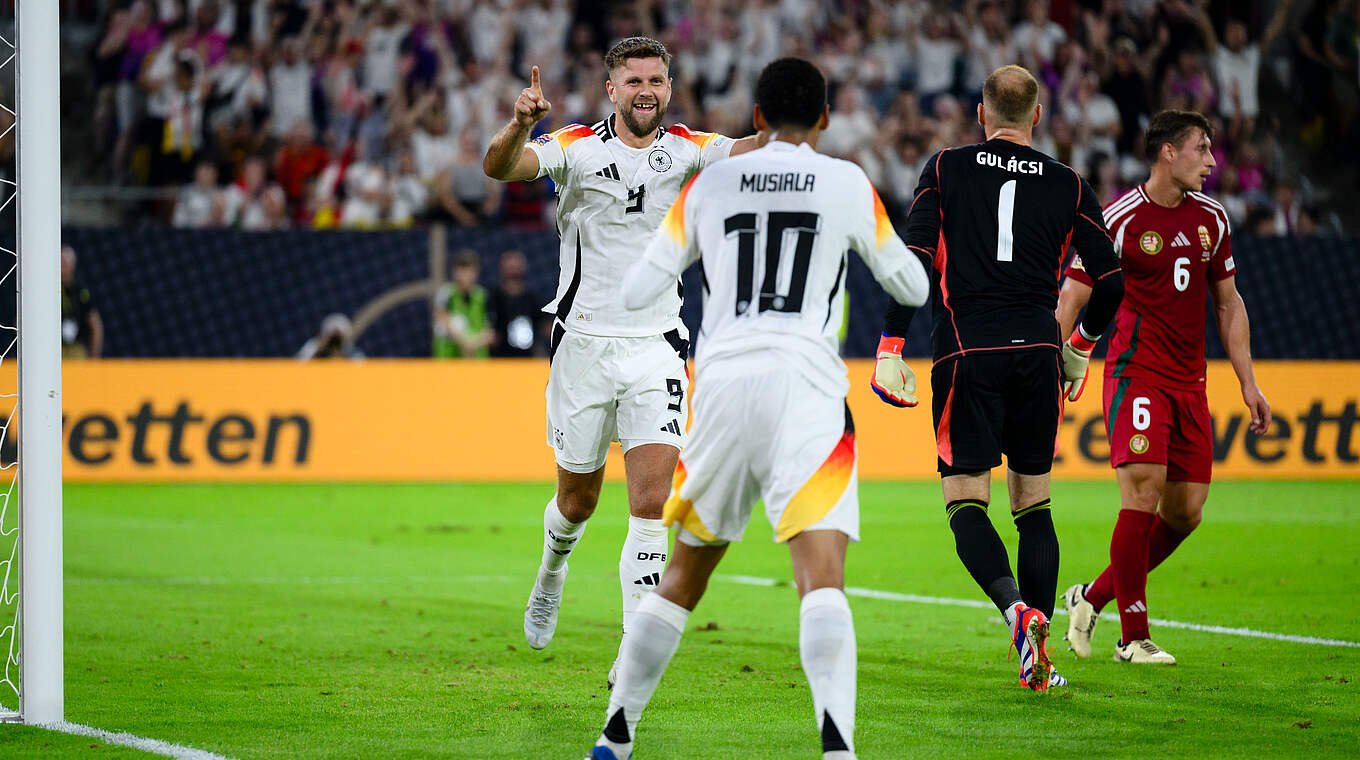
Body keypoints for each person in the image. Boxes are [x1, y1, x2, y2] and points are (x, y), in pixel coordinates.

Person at [586, 56, 929, 760]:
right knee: (821, 579)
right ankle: (837, 747)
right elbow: (913, 285)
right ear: (826, 119)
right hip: (805, 389)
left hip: (721, 389)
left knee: (683, 577)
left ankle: (615, 736)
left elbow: (638, 288)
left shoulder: (710, 185)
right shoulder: (845, 182)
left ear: (759, 118)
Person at [481, 36, 757, 682]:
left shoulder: (688, 148)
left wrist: (787, 125)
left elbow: (747, 151)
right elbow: (500, 167)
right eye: (633, 81)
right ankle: (552, 572)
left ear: (668, 87)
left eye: (656, 81)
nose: (646, 92)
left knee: (651, 501)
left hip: (657, 345)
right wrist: (522, 121)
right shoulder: (574, 146)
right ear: (612, 89)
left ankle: (635, 650)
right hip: (582, 346)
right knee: (576, 501)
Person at [870, 64, 1125, 692]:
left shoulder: (947, 166)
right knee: (1033, 503)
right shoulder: (1069, 183)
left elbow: (918, 258)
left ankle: (1019, 614)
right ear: (1037, 117)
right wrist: (1081, 346)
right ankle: (1040, 658)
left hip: (967, 351)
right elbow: (1111, 280)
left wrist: (890, 341)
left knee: (965, 500)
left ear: (981, 116)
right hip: (1038, 350)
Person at [1058, 110, 1270, 665]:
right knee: (1142, 493)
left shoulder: (1213, 219)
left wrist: (1248, 382)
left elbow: (1228, 303)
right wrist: (1057, 365)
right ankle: (1134, 637)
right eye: (1202, 148)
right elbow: (1072, 295)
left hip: (1191, 384)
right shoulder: (1121, 217)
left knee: (1185, 513)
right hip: (1136, 374)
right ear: (1168, 153)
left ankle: (1091, 597)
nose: (1212, 160)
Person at [433, 249, 493, 359]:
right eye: (461, 270)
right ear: (454, 271)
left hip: (477, 361)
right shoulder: (446, 293)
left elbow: (489, 331)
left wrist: (473, 344)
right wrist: (464, 343)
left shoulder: (483, 296)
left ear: (476, 272)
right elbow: (442, 319)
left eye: (469, 271)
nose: (465, 275)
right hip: (449, 361)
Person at [487, 249, 546, 358]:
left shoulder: (532, 298)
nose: (513, 270)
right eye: (509, 266)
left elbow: (544, 326)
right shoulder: (494, 298)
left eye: (516, 266)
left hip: (528, 359)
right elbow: (489, 331)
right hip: (500, 358)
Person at [61, 246, 104, 360]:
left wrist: (94, 358)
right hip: (52, 347)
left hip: (76, 348)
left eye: (65, 263)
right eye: (60, 263)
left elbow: (95, 325)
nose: (62, 268)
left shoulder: (81, 293)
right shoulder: (46, 293)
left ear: (72, 266)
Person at [296, 312, 364, 360]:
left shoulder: (351, 352)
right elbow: (298, 366)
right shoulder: (313, 347)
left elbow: (363, 369)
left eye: (339, 338)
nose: (334, 342)